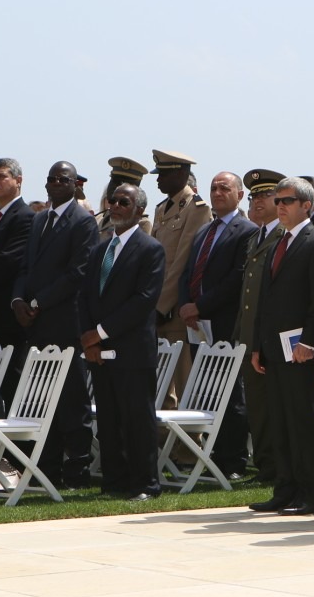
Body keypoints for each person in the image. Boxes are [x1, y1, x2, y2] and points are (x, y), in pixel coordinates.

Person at [12, 160, 99, 489]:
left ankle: (77, 471)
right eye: (50, 179)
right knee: (41, 398)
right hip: (36, 324)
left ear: (75, 185)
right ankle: (46, 468)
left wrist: (37, 302)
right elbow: (25, 267)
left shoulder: (83, 222)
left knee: (72, 401)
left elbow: (76, 273)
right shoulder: (39, 220)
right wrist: (18, 300)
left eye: (63, 180)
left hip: (65, 322)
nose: (55, 184)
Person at [248, 175, 314, 515]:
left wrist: (310, 343)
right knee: (279, 419)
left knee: (300, 420)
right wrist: (257, 345)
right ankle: (284, 488)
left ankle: (309, 491)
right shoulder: (277, 242)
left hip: (299, 349)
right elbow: (263, 300)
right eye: (277, 201)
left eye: (286, 201)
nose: (279, 206)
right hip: (272, 347)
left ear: (305, 205)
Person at [79, 183, 165, 501]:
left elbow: (143, 301)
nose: (114, 206)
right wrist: (89, 341)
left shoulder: (149, 249)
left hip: (132, 350)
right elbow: (85, 296)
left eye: (123, 202)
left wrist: (99, 332)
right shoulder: (100, 249)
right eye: (112, 200)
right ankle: (114, 481)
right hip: (99, 351)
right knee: (110, 418)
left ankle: (145, 483)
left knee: (137, 419)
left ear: (139, 210)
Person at [176, 171, 255, 477]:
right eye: (213, 188)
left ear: (239, 195)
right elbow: (187, 272)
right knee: (208, 392)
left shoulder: (245, 230)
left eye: (225, 188)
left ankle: (232, 460)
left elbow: (236, 278)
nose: (218, 192)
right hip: (198, 325)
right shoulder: (203, 232)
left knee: (231, 394)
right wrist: (186, 304)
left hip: (225, 322)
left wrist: (201, 305)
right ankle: (213, 455)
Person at [151, 150, 212, 407]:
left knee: (181, 384)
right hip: (155, 308)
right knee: (160, 386)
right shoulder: (162, 208)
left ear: (182, 174)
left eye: (163, 174)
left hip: (174, 311)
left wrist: (161, 305)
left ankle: (186, 447)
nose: (158, 180)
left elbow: (182, 262)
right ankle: (162, 443)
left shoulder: (197, 208)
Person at [236, 169, 285, 481]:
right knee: (256, 405)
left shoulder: (285, 236)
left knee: (275, 406)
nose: (256, 202)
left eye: (264, 195)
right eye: (253, 196)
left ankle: (280, 467)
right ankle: (266, 465)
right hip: (250, 335)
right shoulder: (257, 236)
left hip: (273, 338)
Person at [0, 157, 34, 412]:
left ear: (18, 181)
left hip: (7, 317)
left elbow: (7, 262)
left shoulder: (26, 218)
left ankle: (21, 449)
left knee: (12, 383)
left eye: (2, 176)